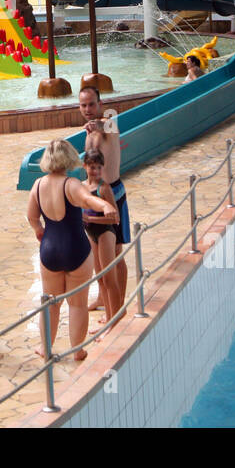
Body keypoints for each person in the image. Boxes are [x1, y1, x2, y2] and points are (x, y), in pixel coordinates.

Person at [26, 139, 116, 362]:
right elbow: (88, 199)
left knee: (51, 303)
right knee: (77, 304)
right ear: (70, 158)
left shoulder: (38, 185)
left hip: (50, 250)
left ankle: (46, 348)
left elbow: (32, 216)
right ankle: (78, 350)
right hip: (76, 248)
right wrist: (105, 205)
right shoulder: (71, 184)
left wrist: (39, 230)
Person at [79, 85, 130, 314]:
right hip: (94, 198)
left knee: (115, 257)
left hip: (112, 197)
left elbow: (111, 123)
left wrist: (99, 124)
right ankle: (103, 299)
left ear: (99, 104)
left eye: (92, 104)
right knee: (99, 259)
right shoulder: (88, 133)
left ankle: (118, 307)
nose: (88, 109)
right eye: (83, 105)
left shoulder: (108, 126)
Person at [81, 148, 123, 325]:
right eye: (92, 167)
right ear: (85, 166)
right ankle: (108, 315)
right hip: (91, 234)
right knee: (99, 278)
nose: (96, 171)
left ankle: (115, 319)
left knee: (109, 278)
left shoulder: (103, 188)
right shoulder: (81, 187)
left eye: (99, 168)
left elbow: (115, 218)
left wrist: (89, 218)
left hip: (106, 233)